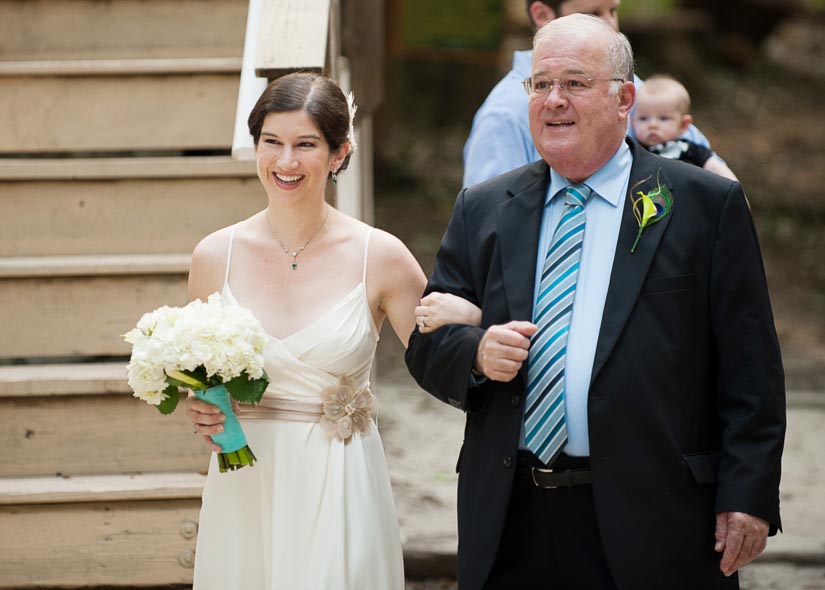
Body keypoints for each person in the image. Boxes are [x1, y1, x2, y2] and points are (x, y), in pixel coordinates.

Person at [407, 14, 785, 590]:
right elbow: (427, 340)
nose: (553, 101)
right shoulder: (484, 208)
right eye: (540, 84)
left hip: (657, 517)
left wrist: (748, 495)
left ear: (624, 98)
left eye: (576, 83)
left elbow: (750, 365)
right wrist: (477, 353)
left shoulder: (704, 204)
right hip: (513, 516)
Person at [184, 72, 475, 588]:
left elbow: (443, 364)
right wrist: (200, 404)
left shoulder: (379, 256)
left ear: (340, 154)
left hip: (339, 477)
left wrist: (474, 319)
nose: (286, 162)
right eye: (271, 142)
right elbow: (203, 376)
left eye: (306, 145)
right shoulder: (214, 256)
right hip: (245, 478)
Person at [462, 0, 716, 188]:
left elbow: (701, 160)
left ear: (625, 98)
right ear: (543, 14)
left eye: (613, 11)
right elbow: (488, 227)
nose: (611, 26)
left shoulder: (632, 88)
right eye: (593, 14)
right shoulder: (504, 116)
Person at [633, 74, 738, 181]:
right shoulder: (633, 153)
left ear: (683, 125)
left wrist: (738, 195)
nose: (652, 125)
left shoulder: (690, 150)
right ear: (632, 122)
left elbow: (722, 174)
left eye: (663, 118)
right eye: (643, 118)